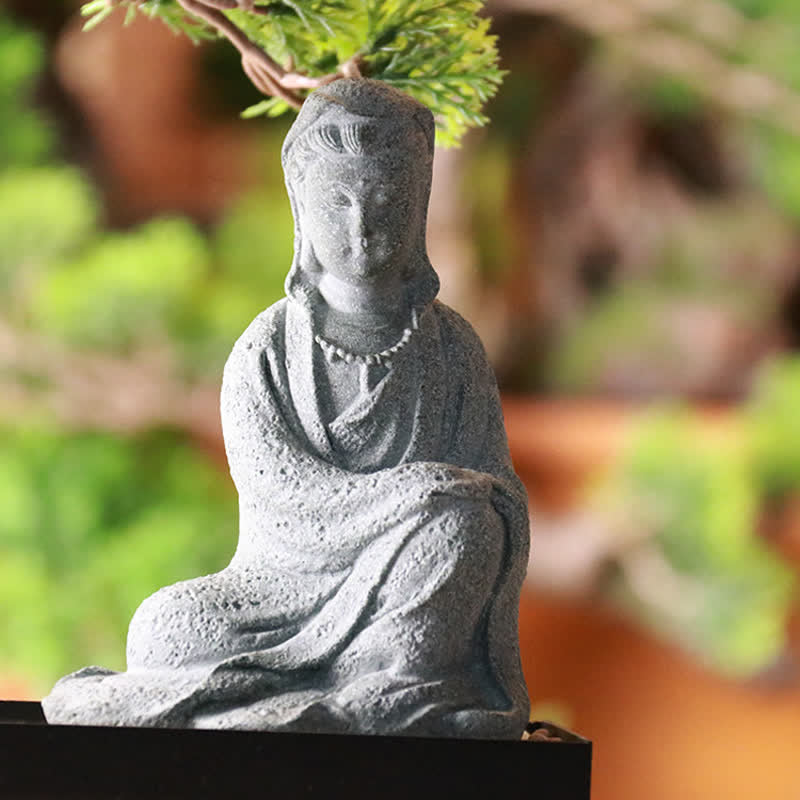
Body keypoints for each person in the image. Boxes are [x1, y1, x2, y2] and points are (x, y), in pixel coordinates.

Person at [43, 79, 530, 739]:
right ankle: (371, 696)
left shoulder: (451, 348)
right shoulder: (268, 347)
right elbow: (280, 492)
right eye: (340, 202)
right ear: (304, 206)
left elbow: (492, 488)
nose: (362, 228)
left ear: (417, 207)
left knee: (468, 528)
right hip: (281, 585)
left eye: (386, 201)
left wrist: (441, 508)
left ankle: (376, 690)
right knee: (168, 628)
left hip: (406, 578)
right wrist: (409, 492)